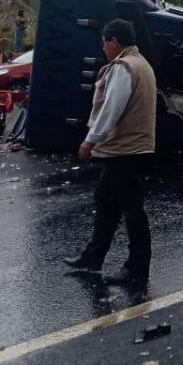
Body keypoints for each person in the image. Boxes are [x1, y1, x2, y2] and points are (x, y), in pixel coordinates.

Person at [63, 19, 158, 285]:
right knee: (106, 203)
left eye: (104, 42)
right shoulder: (142, 64)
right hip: (133, 147)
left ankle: (137, 268)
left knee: (132, 210)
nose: (103, 48)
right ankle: (93, 257)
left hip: (124, 149)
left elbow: (111, 108)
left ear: (114, 41)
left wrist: (90, 141)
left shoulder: (124, 67)